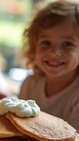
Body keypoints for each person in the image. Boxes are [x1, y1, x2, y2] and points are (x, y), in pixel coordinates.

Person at [18, 0, 79, 130]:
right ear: (34, 45)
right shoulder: (30, 84)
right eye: (46, 42)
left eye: (67, 44)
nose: (54, 53)